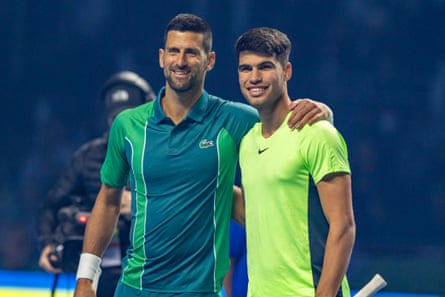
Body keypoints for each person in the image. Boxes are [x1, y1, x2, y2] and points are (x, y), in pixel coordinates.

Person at [73, 13, 333, 297]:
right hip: (135, 288)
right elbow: (108, 200)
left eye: (191, 53)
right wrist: (86, 278)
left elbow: (283, 123)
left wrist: (324, 113)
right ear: (162, 57)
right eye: (174, 51)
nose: (181, 61)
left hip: (203, 291)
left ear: (209, 60)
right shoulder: (128, 125)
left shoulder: (236, 119)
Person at [235, 27, 356, 297]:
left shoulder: (318, 133)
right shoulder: (248, 142)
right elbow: (259, 214)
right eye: (246, 68)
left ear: (286, 71)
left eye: (265, 67)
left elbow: (344, 225)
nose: (254, 77)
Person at [37, 71, 156, 297]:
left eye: (129, 116)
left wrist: (138, 204)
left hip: (151, 274)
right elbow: (52, 206)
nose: (121, 124)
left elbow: (184, 207)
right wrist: (49, 244)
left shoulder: (163, 155)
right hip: (98, 275)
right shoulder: (87, 157)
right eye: (115, 118)